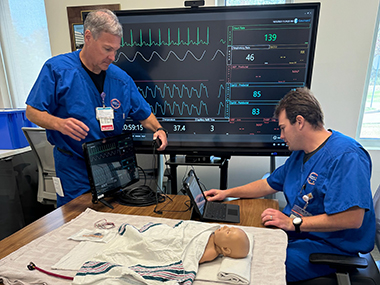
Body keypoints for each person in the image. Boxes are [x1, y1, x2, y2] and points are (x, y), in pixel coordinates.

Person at [204, 87, 376, 282]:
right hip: (301, 234)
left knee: (252, 266)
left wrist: (292, 223)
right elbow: (268, 184)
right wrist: (226, 193)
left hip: (331, 247)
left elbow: (352, 218)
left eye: (283, 128)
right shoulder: (300, 154)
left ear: (300, 122)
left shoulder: (347, 156)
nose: (281, 135)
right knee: (248, 243)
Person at [25, 9, 168, 207]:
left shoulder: (121, 79)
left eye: (116, 50)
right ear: (88, 37)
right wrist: (59, 124)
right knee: (74, 222)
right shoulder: (57, 70)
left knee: (110, 221)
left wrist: (158, 129)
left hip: (110, 164)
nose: (113, 57)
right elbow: (32, 111)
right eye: (107, 49)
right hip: (74, 167)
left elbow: (144, 113)